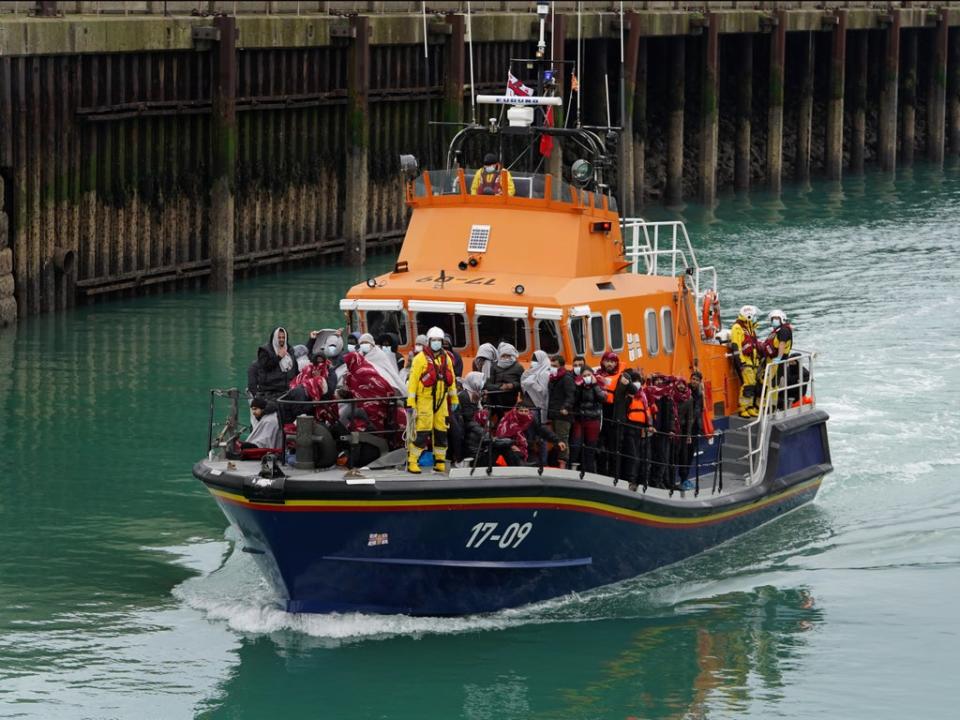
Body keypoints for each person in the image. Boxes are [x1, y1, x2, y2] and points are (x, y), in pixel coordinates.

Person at [406, 326, 459, 474]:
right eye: (434, 340)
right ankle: (412, 461)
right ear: (429, 341)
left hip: (441, 399)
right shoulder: (419, 359)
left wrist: (454, 398)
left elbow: (452, 379)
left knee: (441, 430)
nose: (436, 342)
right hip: (425, 399)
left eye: (439, 340)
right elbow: (413, 382)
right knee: (423, 430)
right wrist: (411, 402)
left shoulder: (446, 358)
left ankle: (440, 461)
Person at [493, 399, 566, 466]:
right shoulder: (508, 419)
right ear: (516, 411)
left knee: (537, 464)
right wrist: (511, 446)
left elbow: (542, 429)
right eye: (521, 411)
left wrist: (557, 440)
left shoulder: (531, 419)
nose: (523, 413)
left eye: (526, 411)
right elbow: (501, 437)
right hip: (509, 449)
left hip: (527, 450)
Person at [622, 371, 654, 491]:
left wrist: (649, 425)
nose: (637, 383)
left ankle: (642, 482)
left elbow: (647, 412)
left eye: (639, 381)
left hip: (643, 430)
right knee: (633, 457)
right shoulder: (628, 396)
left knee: (643, 457)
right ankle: (631, 481)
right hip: (631, 428)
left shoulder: (643, 396)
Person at [571, 365, 605, 473]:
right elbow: (574, 400)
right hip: (580, 419)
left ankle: (590, 472)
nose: (587, 377)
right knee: (575, 445)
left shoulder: (598, 384)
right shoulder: (579, 386)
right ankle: (573, 468)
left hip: (593, 419)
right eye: (584, 375)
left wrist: (594, 384)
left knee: (591, 447)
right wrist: (579, 387)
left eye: (588, 375)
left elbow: (602, 398)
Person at [729, 305, 761, 417]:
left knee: (754, 385)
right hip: (745, 361)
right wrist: (740, 362)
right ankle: (743, 408)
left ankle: (750, 407)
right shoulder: (737, 328)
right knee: (748, 384)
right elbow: (736, 346)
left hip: (753, 361)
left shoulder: (750, 327)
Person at [594, 351, 623, 474]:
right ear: (603, 362)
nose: (610, 364)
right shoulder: (597, 375)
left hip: (613, 417)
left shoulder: (622, 377)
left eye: (612, 361)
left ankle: (614, 474)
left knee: (614, 448)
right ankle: (601, 472)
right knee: (599, 446)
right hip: (600, 415)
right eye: (607, 361)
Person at [252, 327, 299, 399]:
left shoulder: (290, 350)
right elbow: (265, 367)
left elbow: (295, 368)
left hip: (287, 389)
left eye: (283, 337)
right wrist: (278, 357)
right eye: (279, 337)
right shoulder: (265, 351)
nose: (281, 339)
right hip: (270, 391)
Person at [546, 354, 576, 469]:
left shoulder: (566, 378)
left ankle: (563, 463)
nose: (552, 367)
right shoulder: (554, 378)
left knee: (562, 438)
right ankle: (557, 462)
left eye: (555, 366)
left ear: (561, 366)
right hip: (554, 413)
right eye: (551, 365)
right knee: (556, 439)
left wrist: (565, 407)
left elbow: (571, 395)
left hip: (563, 415)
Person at [676, 373, 704, 490]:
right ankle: (682, 479)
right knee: (683, 455)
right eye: (693, 379)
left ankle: (685, 479)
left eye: (697, 380)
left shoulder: (700, 394)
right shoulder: (685, 392)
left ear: (699, 382)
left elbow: (700, 411)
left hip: (694, 429)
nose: (694, 381)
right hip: (685, 429)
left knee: (689, 456)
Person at [763, 309, 794, 410]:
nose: (774, 321)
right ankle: (768, 404)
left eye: (776, 319)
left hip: (777, 361)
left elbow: (782, 344)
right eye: (773, 319)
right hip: (771, 360)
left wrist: (778, 358)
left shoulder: (784, 330)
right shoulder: (778, 330)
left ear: (782, 319)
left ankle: (770, 406)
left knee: (772, 383)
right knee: (770, 383)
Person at [484, 342, 523, 414]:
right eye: (503, 356)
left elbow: (522, 385)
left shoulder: (518, 367)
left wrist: (512, 385)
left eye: (508, 356)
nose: (505, 358)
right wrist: (500, 387)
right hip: (494, 397)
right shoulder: (494, 366)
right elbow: (488, 384)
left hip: (510, 399)